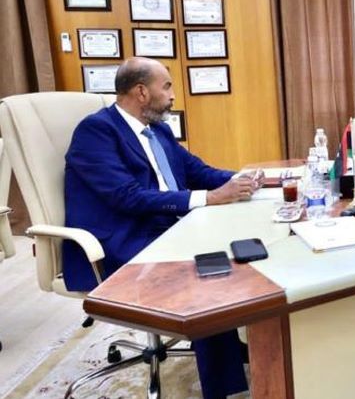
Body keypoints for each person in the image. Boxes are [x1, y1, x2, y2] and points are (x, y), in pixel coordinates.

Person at [63, 57, 260, 398]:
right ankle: (223, 389)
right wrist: (210, 198)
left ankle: (226, 347)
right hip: (123, 240)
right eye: (166, 86)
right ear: (141, 92)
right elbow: (127, 197)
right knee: (208, 275)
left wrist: (245, 179)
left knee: (243, 248)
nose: (172, 95)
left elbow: (198, 172)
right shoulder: (96, 132)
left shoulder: (159, 131)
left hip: (167, 227)